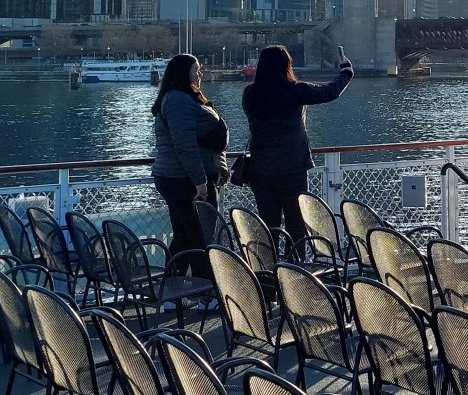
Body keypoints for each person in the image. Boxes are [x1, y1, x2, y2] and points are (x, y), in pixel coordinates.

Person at [241, 44, 354, 255]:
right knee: (296, 225)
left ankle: (268, 273)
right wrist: (346, 71)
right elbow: (330, 92)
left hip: (260, 169)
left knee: (268, 225)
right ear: (286, 66)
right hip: (292, 168)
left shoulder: (250, 94)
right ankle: (294, 274)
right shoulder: (295, 91)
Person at [151, 53, 228, 276]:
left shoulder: (189, 98)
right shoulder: (177, 100)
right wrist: (200, 182)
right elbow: (184, 145)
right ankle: (206, 292)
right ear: (183, 73)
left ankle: (171, 290)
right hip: (183, 180)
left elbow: (211, 140)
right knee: (201, 237)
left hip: (185, 177)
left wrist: (220, 164)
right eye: (196, 69)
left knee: (186, 236)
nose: (200, 74)